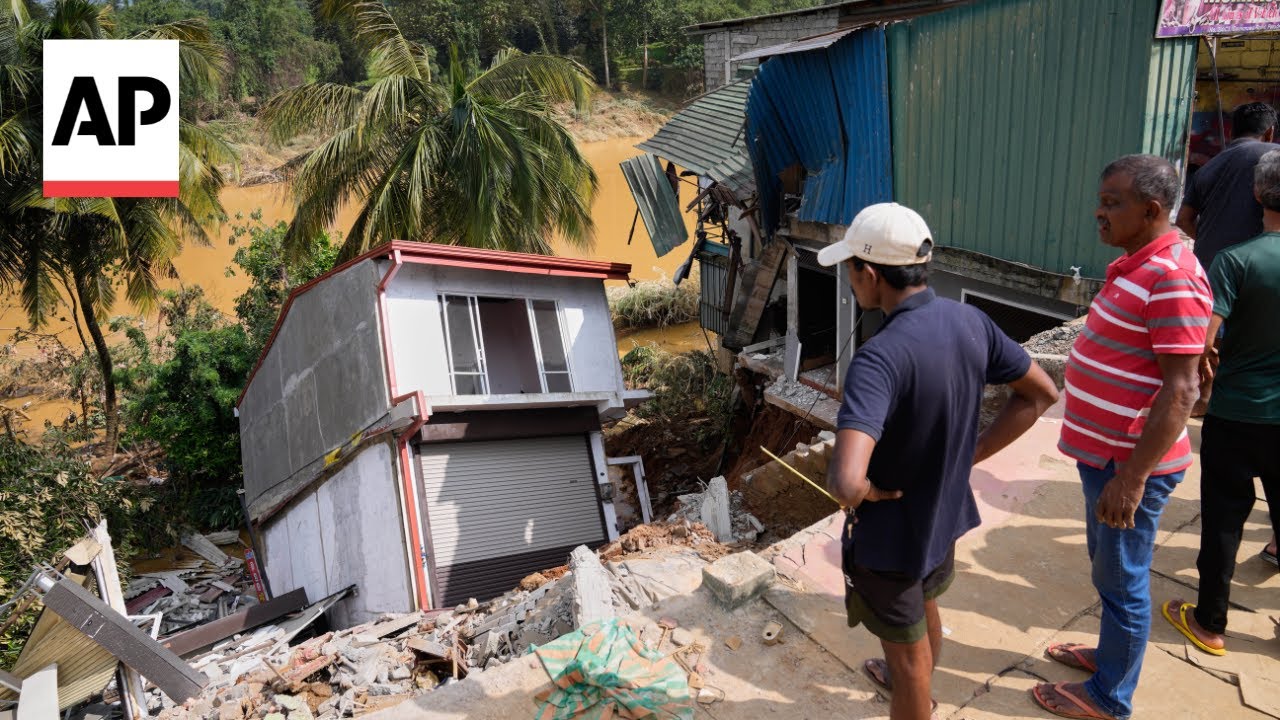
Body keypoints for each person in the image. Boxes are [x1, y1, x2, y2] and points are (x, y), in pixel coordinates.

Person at [818, 203, 1059, 720]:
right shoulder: (970, 320)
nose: (851, 281)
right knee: (925, 604)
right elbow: (1041, 394)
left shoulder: (879, 358)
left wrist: (869, 493)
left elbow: (846, 482)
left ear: (870, 274)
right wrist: (967, 458)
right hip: (942, 517)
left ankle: (915, 697)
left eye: (851, 269)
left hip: (891, 537)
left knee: (907, 663)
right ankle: (917, 689)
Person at [1034, 155, 1211, 720]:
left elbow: (1181, 391)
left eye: (1112, 203)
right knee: (1108, 571)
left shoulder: (1172, 277)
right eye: (1101, 201)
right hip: (1106, 458)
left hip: (1128, 465)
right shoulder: (1139, 266)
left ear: (1152, 210)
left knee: (1123, 580)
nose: (1099, 212)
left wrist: (1132, 479)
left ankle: (1110, 697)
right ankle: (1111, 659)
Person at [1161, 148, 1280, 656]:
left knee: (1224, 520)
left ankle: (1209, 623)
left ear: (1257, 194)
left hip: (1236, 413)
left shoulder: (1235, 260)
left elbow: (1203, 340)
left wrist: (1205, 373)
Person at [1176, 102, 1277, 414]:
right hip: (1261, 267)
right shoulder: (1273, 158)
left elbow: (1183, 219)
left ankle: (1206, 396)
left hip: (1211, 265)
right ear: (1270, 132)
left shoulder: (1210, 166)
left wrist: (1210, 242)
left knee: (1213, 334)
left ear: (1233, 130)